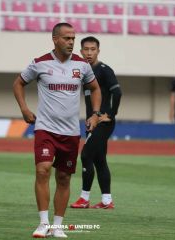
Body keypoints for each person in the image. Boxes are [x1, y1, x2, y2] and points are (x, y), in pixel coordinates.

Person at [13, 23, 101, 238]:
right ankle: (43, 223)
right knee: (43, 170)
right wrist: (24, 109)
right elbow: (18, 83)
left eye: (73, 38)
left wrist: (95, 114)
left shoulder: (83, 66)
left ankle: (57, 226)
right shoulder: (39, 63)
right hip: (45, 129)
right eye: (67, 38)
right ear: (55, 39)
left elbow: (95, 88)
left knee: (64, 178)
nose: (71, 42)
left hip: (71, 132)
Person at [70, 36, 122, 210]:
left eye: (93, 49)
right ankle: (107, 201)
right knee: (100, 160)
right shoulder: (83, 71)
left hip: (102, 122)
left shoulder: (105, 70)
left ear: (98, 51)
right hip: (91, 122)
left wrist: (111, 115)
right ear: (81, 51)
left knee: (85, 155)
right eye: (86, 49)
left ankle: (84, 199)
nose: (89, 53)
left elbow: (118, 92)